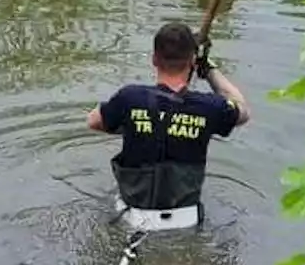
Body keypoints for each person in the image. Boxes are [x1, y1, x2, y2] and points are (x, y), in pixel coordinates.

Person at [87, 22, 250, 216]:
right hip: (185, 221)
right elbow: (243, 111)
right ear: (191, 61)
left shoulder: (129, 98)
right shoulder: (210, 107)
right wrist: (208, 69)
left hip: (132, 217)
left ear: (154, 59)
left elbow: (93, 121)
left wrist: (134, 125)